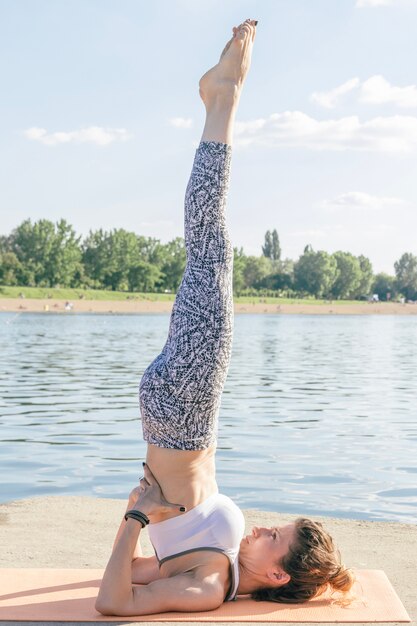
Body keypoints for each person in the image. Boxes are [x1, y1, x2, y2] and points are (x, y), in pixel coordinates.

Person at [96, 19, 354, 617]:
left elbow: (112, 604)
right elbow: (134, 574)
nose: (262, 528)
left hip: (183, 413)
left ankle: (224, 100)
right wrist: (142, 532)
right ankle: (221, 100)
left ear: (274, 571)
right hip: (182, 414)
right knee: (210, 249)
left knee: (211, 246)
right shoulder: (219, 564)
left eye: (272, 538)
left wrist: (136, 516)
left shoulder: (210, 585)